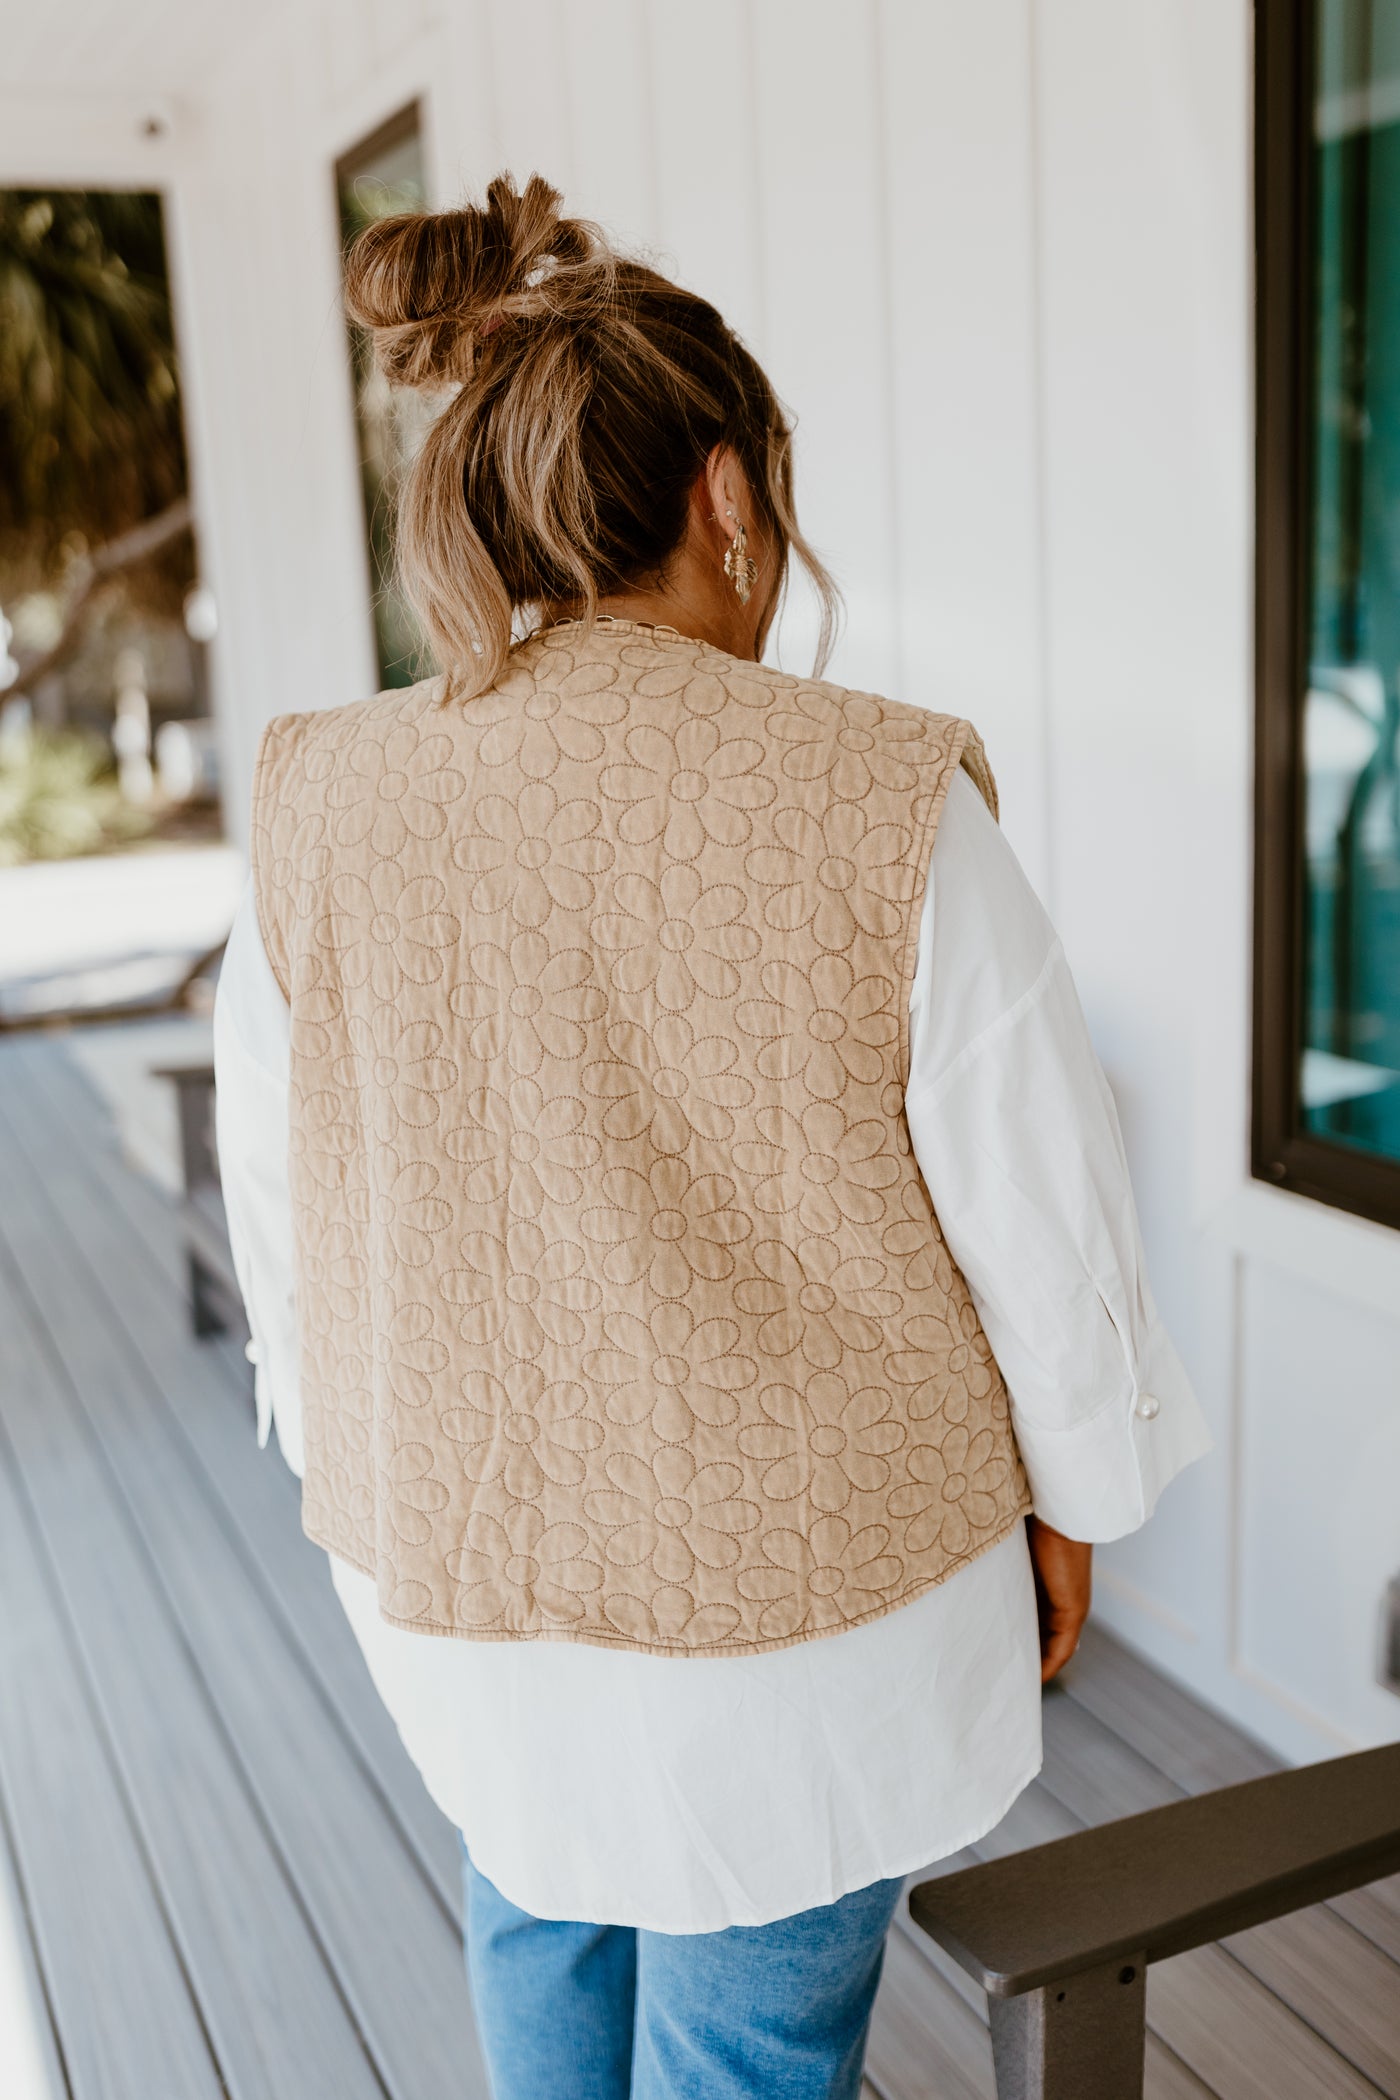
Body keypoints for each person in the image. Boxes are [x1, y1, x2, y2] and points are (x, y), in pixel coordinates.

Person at [213, 172, 1211, 2100]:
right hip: (808, 1608)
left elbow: (292, 1213)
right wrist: (1073, 1493)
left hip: (455, 1581)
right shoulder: (883, 797)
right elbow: (1042, 1209)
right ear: (731, 499)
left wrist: (386, 1483)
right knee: (746, 2040)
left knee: (536, 1902)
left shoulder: (322, 800)